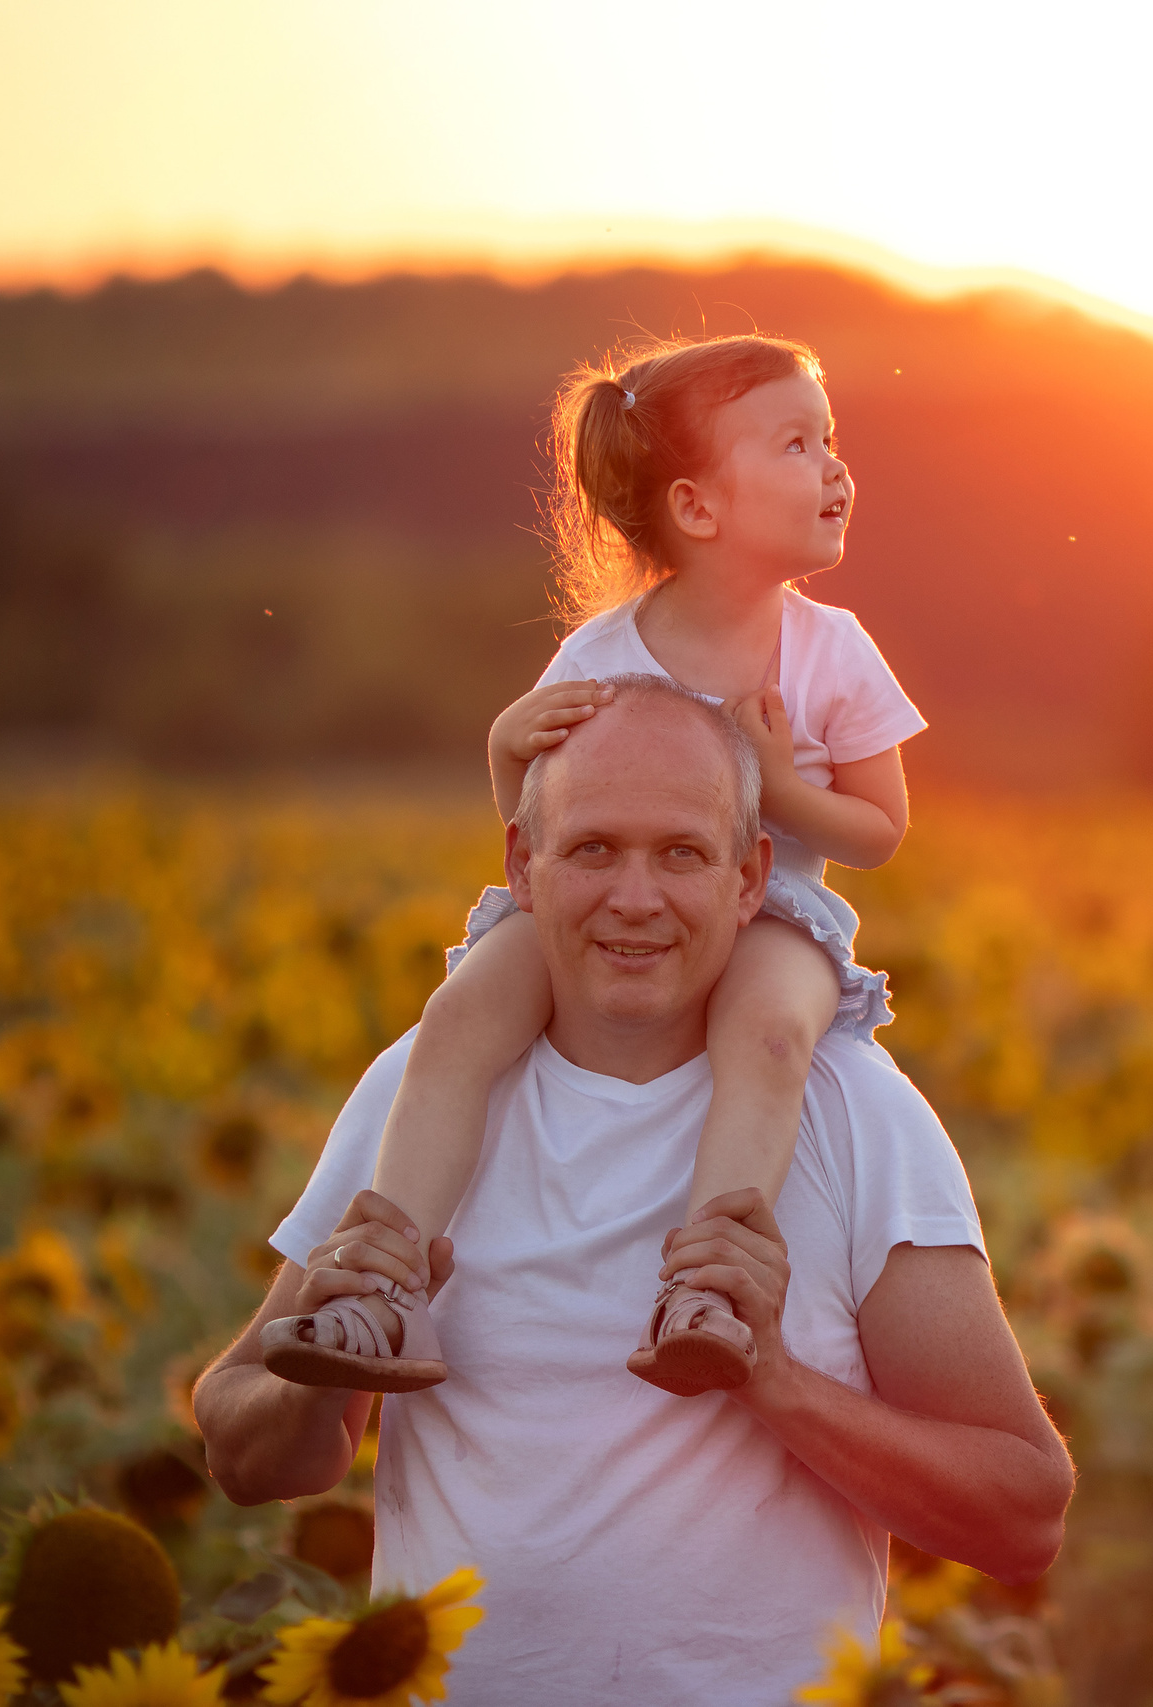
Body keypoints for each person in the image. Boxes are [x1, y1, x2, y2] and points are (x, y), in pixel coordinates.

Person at [195, 679, 1072, 1705]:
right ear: (524, 866)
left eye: (682, 854)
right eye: (594, 849)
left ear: (750, 879)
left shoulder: (853, 1117)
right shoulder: (426, 1094)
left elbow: (1023, 1515)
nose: (635, 898)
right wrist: (323, 1362)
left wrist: (771, 1379)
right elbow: (243, 1449)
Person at [260, 332, 918, 1396]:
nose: (836, 468)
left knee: (769, 1032)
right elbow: (539, 837)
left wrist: (775, 783)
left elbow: (879, 832)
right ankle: (382, 1280)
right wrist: (501, 752)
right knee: (463, 1013)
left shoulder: (832, 650)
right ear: (699, 508)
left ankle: (707, 1283)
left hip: (778, 915)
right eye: (797, 445)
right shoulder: (601, 654)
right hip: (618, 908)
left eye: (829, 440)